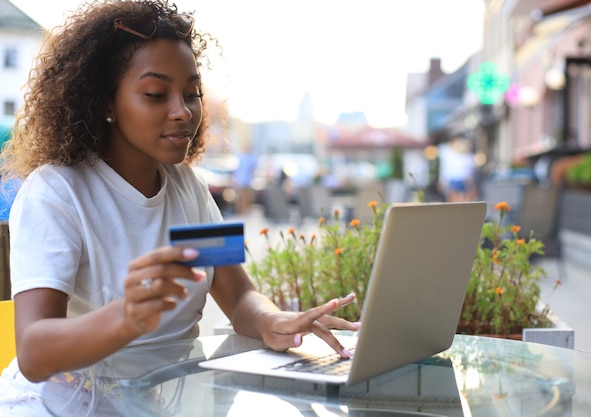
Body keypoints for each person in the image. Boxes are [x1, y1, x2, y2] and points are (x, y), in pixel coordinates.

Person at [0, 1, 358, 414]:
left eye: (192, 94)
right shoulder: (57, 193)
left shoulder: (189, 188)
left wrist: (272, 322)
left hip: (164, 403)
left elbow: (239, 296)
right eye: (156, 94)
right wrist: (125, 318)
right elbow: (34, 350)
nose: (182, 111)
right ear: (106, 103)